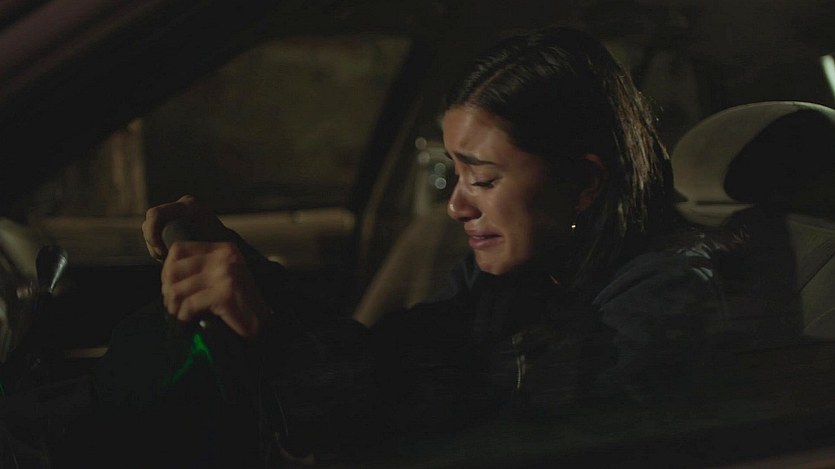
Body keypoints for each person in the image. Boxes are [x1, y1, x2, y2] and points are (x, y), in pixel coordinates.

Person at [71, 26, 726, 468]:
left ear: (584, 182)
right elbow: (390, 355)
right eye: (453, 174)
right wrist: (250, 277)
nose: (456, 205)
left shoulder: (664, 299)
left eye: (483, 179)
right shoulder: (511, 280)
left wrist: (272, 336)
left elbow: (461, 400)